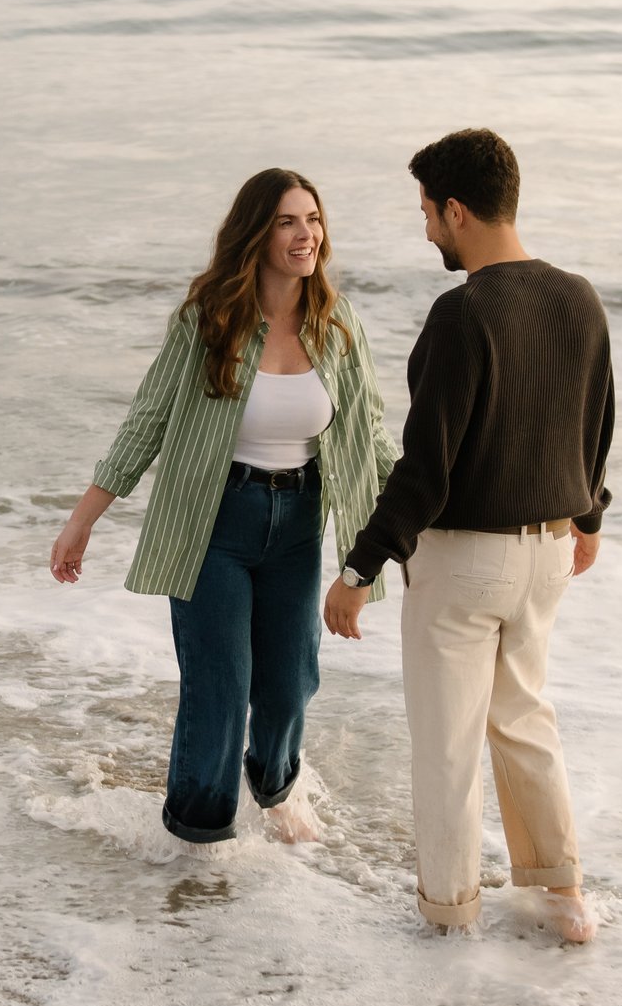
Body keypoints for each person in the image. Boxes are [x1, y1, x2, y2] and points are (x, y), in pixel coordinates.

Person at [324, 129, 615, 943]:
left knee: (448, 746)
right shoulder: (579, 297)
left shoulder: (462, 313)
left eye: (426, 212)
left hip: (463, 560)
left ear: (456, 210)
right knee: (525, 720)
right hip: (549, 552)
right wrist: (588, 516)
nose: (426, 231)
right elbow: (594, 422)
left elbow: (428, 465)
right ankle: (563, 900)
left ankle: (449, 918)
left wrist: (359, 566)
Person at [51, 168, 400, 846]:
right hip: (215, 522)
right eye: (287, 221)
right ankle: (198, 836)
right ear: (256, 233)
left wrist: (424, 511)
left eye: (314, 219)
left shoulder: (337, 321)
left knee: (290, 683)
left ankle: (275, 787)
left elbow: (371, 431)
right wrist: (83, 518)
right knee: (217, 690)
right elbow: (147, 419)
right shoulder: (207, 318)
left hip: (298, 522)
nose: (307, 235)